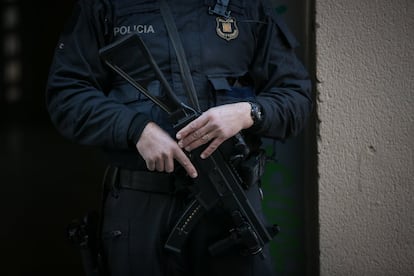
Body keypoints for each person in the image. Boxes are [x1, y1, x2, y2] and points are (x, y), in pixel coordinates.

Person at [46, 0, 312, 275]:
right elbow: (66, 94)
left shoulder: (249, 7)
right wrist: (135, 129)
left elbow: (296, 97)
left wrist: (248, 112)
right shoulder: (106, 6)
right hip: (142, 205)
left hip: (231, 204)